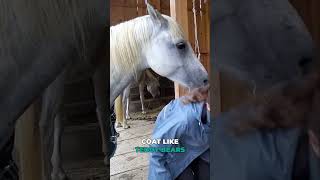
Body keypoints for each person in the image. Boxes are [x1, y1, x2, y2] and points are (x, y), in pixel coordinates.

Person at [148, 85, 210, 180]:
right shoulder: (183, 119)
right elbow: (156, 150)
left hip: (200, 142)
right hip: (173, 148)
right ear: (208, 105)